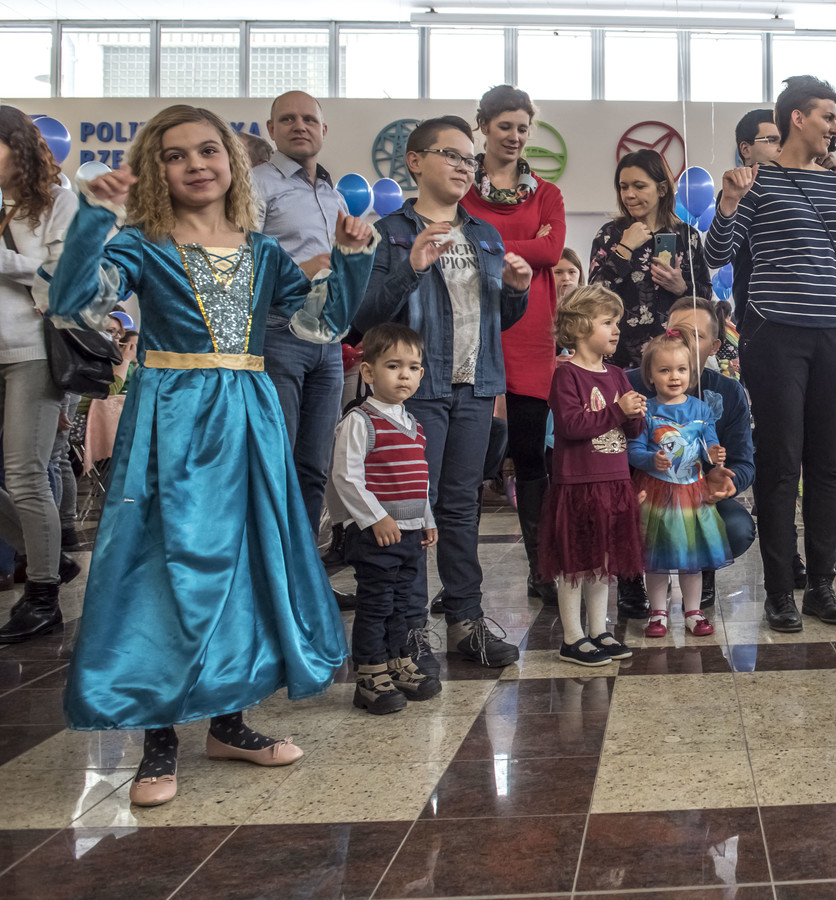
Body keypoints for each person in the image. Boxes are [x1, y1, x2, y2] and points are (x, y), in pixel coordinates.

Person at [51, 104, 374, 808]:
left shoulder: (263, 253)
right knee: (161, 565)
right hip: (169, 420)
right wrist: (93, 220)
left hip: (250, 418)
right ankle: (159, 735)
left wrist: (352, 259)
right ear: (156, 170)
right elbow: (74, 302)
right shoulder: (141, 245)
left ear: (232, 162)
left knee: (245, 561)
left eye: (208, 150)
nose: (196, 164)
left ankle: (229, 721)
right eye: (176, 155)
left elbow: (321, 323)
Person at [708, 75, 836, 632]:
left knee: (828, 465)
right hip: (775, 335)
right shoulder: (757, 182)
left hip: (835, 333)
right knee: (780, 464)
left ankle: (820, 586)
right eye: (828, 116)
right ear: (798, 118)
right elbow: (718, 252)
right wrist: (729, 201)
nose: (835, 128)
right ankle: (779, 593)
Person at [354, 115, 532, 672]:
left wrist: (518, 292)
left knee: (460, 507)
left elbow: (497, 320)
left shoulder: (484, 234)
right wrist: (410, 267)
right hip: (416, 392)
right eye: (450, 155)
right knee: (411, 511)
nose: (463, 167)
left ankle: (465, 622)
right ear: (415, 162)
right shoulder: (390, 232)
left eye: (468, 159)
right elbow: (363, 320)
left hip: (475, 387)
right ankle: (408, 631)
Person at [458, 85, 567, 603]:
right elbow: (455, 242)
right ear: (483, 126)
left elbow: (552, 250)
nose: (515, 136)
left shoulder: (547, 194)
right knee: (465, 464)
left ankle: (541, 568)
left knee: (529, 456)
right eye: (505, 126)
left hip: (531, 335)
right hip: (472, 329)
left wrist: (485, 244)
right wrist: (522, 246)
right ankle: (459, 580)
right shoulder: (462, 189)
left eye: (523, 127)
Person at [251, 92, 353, 603]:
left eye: (309, 119)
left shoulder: (333, 194)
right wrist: (300, 271)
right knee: (279, 465)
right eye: (287, 119)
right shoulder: (256, 184)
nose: (300, 126)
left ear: (323, 129)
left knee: (314, 466)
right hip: (279, 334)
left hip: (327, 343)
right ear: (271, 128)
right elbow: (238, 266)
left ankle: (305, 580)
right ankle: (272, 584)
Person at [326, 322, 443, 715]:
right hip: (376, 535)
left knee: (401, 604)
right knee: (376, 605)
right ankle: (369, 673)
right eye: (393, 366)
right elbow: (346, 476)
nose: (404, 375)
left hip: (408, 534)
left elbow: (419, 480)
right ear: (368, 372)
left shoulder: (415, 425)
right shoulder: (360, 421)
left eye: (413, 367)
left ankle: (397, 660)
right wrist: (375, 518)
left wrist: (427, 518)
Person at [0, 106, 77, 642]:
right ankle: (45, 553)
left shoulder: (56, 201)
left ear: (17, 146)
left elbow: (66, 275)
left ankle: (44, 594)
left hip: (32, 350)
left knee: (26, 472)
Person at [626, 297, 756, 610]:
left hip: (697, 496)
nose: (683, 341)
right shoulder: (630, 383)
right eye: (677, 332)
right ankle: (629, 580)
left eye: (695, 336)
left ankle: (701, 570)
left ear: (714, 347)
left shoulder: (727, 392)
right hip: (643, 494)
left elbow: (744, 462)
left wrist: (727, 481)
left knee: (737, 528)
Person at [542, 284, 646, 667]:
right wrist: (618, 411)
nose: (616, 330)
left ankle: (599, 629)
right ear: (581, 326)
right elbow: (571, 426)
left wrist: (635, 416)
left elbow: (630, 430)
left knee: (603, 563)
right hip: (578, 484)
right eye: (608, 322)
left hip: (614, 482)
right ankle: (572, 637)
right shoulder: (566, 375)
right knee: (576, 562)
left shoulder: (617, 374)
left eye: (616, 322)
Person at [629, 329, 732, 637]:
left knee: (692, 558)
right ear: (650, 375)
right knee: (656, 558)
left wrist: (714, 453)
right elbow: (633, 450)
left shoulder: (701, 409)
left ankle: (693, 611)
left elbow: (709, 443)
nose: (674, 376)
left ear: (691, 372)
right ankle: (658, 612)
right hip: (656, 493)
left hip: (692, 493)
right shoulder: (646, 411)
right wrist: (651, 460)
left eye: (681, 369)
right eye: (665, 370)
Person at [589, 149, 711, 369]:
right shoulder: (610, 234)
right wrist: (624, 249)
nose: (629, 194)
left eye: (639, 186)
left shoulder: (687, 236)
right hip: (619, 361)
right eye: (623, 187)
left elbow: (707, 299)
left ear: (662, 189)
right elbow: (593, 297)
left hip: (675, 362)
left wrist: (682, 287)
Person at [729, 108, 782, 327]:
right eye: (772, 140)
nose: (781, 148)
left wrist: (823, 179)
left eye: (785, 141)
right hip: (759, 316)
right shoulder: (736, 194)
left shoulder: (801, 191)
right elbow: (718, 254)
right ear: (745, 149)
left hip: (808, 316)